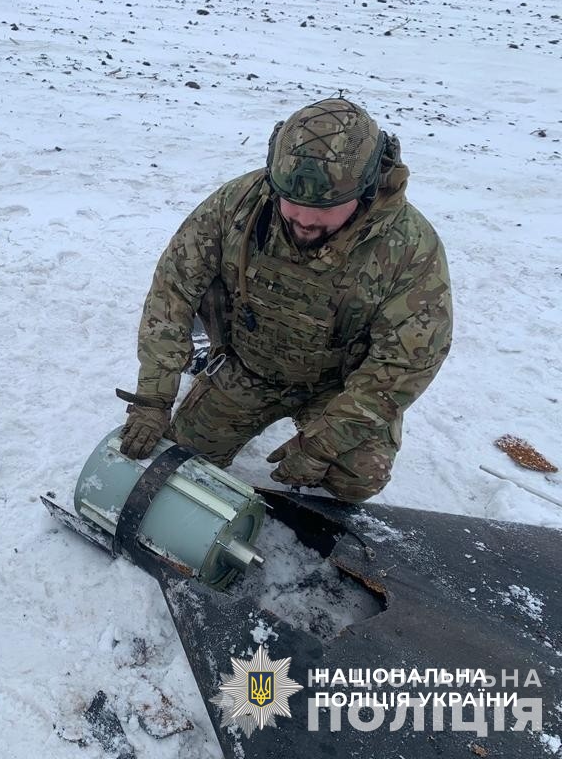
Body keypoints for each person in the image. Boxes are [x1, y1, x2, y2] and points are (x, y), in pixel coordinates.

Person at [118, 97, 452, 502]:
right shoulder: (237, 204)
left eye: (325, 209)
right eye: (292, 205)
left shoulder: (410, 248)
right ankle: (212, 374)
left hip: (336, 387)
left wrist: (320, 445)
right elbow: (172, 291)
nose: (305, 221)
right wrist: (153, 398)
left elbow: (405, 364)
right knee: (182, 458)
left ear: (366, 191)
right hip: (249, 367)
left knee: (358, 477)